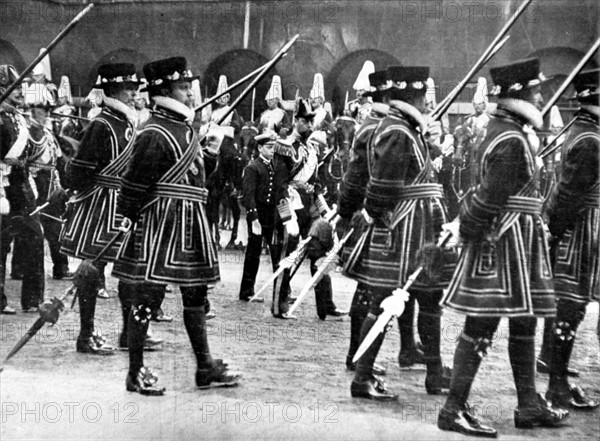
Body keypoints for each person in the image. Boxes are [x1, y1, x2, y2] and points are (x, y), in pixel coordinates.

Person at [438, 58, 569, 437]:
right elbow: (490, 196)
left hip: (516, 238)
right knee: (482, 323)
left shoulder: (506, 130)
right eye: (536, 90)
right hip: (505, 240)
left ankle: (529, 404)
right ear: (520, 93)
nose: (541, 95)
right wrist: (467, 229)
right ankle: (453, 408)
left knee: (524, 320)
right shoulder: (510, 137)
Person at [112, 56, 241, 395]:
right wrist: (126, 218)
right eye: (184, 88)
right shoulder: (153, 131)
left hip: (191, 219)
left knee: (196, 294)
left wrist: (210, 156)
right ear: (165, 91)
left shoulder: (186, 128)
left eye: (189, 87)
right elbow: (134, 183)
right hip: (162, 222)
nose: (190, 94)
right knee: (148, 297)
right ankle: (135, 371)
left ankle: (204, 366)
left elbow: (197, 177)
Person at [343, 65, 454, 401]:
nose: (427, 103)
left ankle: (434, 372)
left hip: (417, 228)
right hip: (404, 231)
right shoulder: (398, 131)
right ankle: (362, 378)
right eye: (423, 97)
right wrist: (372, 214)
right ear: (412, 96)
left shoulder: (406, 128)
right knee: (383, 303)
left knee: (430, 299)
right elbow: (383, 186)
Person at [60, 63, 162, 355]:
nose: (133, 94)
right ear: (113, 91)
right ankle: (86, 334)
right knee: (92, 268)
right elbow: (78, 173)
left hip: (122, 202)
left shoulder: (126, 123)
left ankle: (130, 333)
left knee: (130, 270)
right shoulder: (102, 124)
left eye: (134, 88)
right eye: (128, 89)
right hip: (100, 204)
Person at [543, 68, 599, 411]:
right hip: (580, 231)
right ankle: (558, 385)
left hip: (579, 228)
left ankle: (558, 380)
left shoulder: (585, 131)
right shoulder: (589, 138)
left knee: (570, 306)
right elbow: (569, 193)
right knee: (570, 306)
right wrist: (557, 230)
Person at [272, 99, 347, 320]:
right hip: (292, 208)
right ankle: (279, 305)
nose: (308, 126)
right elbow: (279, 186)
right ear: (296, 121)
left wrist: (325, 213)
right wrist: (287, 217)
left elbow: (316, 187)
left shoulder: (311, 151)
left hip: (309, 207)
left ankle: (326, 304)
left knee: (320, 253)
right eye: (305, 121)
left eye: (310, 122)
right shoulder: (284, 147)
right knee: (287, 258)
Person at [0, 64, 44, 314]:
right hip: (4, 187)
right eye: (12, 88)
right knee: (1, 244)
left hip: (22, 185)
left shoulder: (19, 117)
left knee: (35, 238)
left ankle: (33, 299)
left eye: (20, 88)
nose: (19, 92)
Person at [24, 81, 73, 281]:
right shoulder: (30, 133)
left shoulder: (48, 133)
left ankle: (60, 268)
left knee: (54, 228)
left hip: (51, 184)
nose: (46, 115)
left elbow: (59, 159)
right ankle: (20, 269)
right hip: (35, 182)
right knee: (28, 227)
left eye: (47, 110)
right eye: (43, 111)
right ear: (33, 111)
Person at [238, 133, 277, 301]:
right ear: (260, 148)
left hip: (271, 217)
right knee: (253, 253)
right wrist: (254, 219)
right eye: (268, 147)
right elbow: (248, 195)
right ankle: (246, 291)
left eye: (273, 147)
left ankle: (281, 291)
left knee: (277, 253)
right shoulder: (253, 167)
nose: (272, 151)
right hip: (258, 216)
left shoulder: (274, 167)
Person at [346, 61, 374, 125]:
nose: (358, 93)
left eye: (361, 90)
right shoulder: (350, 105)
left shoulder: (372, 107)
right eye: (357, 90)